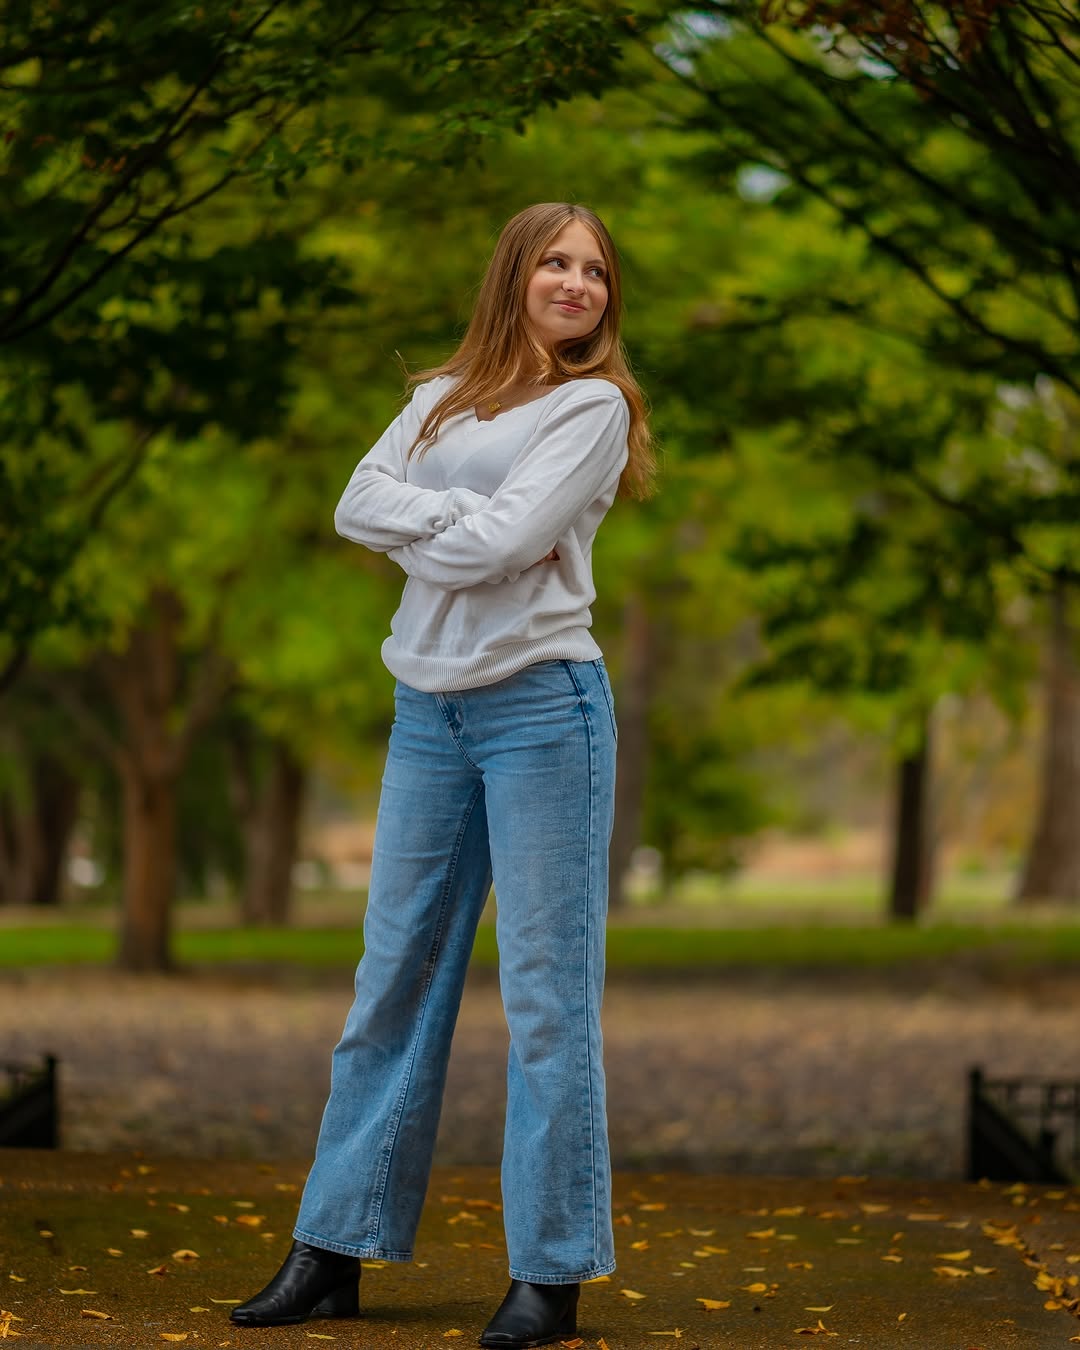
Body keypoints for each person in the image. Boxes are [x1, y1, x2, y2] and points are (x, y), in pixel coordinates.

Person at [230, 202, 654, 1348]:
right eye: (557, 264)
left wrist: (450, 522)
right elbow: (353, 502)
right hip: (428, 710)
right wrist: (472, 515)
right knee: (389, 986)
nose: (577, 284)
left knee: (546, 1004)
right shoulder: (438, 397)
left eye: (596, 272)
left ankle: (550, 1278)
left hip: (542, 714)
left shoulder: (593, 408)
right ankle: (332, 1249)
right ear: (515, 274)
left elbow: (495, 548)